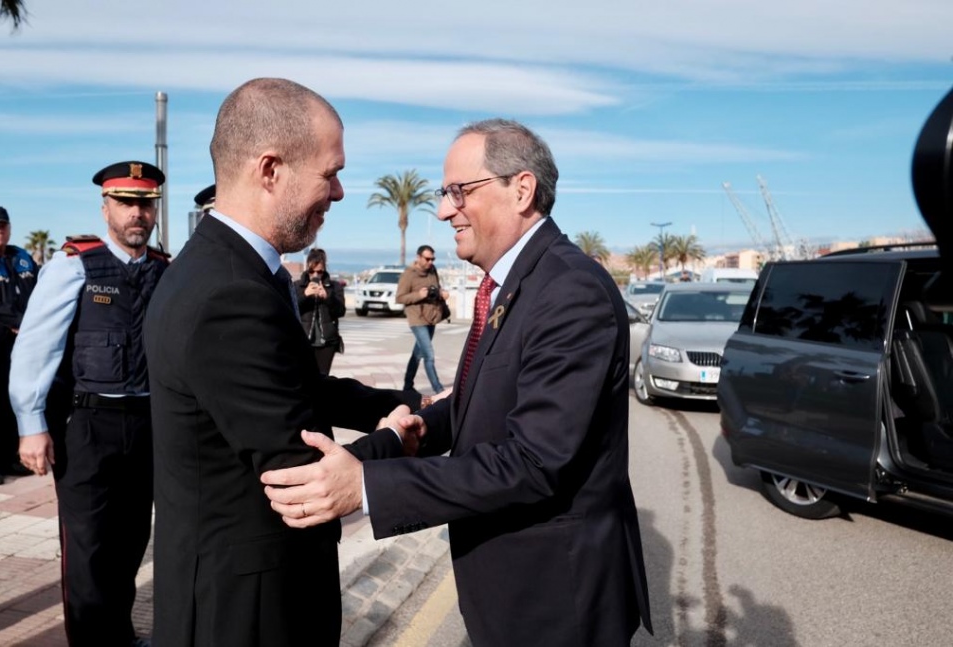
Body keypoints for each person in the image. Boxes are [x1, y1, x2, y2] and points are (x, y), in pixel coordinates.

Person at [262, 119, 652, 646]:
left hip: (556, 596)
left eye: (458, 192)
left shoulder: (569, 291)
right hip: (508, 587)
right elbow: (475, 403)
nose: (445, 211)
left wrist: (366, 487)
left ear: (521, 189)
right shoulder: (517, 282)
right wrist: (409, 430)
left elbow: (533, 461)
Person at [142, 78, 421, 647]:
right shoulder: (227, 293)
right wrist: (395, 438)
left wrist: (405, 404)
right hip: (245, 608)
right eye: (330, 172)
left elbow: (294, 388)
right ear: (270, 170)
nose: (339, 192)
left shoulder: (232, 268)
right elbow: (302, 477)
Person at [9, 161, 168, 647]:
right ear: (106, 209)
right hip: (88, 426)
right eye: (125, 203)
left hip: (147, 425)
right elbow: (37, 347)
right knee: (88, 547)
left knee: (130, 541)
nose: (136, 214)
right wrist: (31, 424)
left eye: (145, 204)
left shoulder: (164, 271)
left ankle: (117, 636)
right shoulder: (74, 265)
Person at [0, 205, 37, 486]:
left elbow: (41, 291)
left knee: (11, 403)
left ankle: (8, 458)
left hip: (19, 346)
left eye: (2, 225)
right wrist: (17, 320)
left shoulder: (22, 258)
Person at [396, 244, 448, 394]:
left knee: (418, 354)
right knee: (429, 355)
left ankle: (407, 386)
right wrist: (419, 295)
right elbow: (400, 298)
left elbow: (436, 289)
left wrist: (441, 293)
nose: (430, 262)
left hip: (432, 317)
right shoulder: (409, 274)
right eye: (427, 259)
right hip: (417, 319)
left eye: (433, 259)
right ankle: (438, 389)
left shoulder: (433, 271)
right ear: (418, 258)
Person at [296, 247, 345, 375]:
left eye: (320, 272)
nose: (315, 275)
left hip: (327, 342)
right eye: (312, 271)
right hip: (303, 341)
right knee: (304, 377)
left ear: (324, 270)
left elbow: (340, 311)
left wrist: (327, 297)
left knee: (322, 378)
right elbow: (289, 309)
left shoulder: (334, 287)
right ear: (307, 269)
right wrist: (305, 295)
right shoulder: (297, 286)